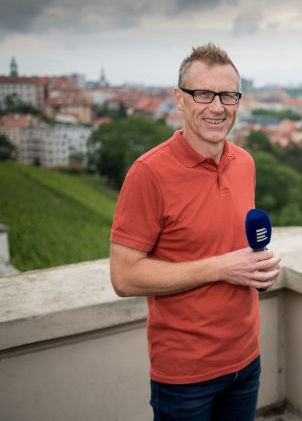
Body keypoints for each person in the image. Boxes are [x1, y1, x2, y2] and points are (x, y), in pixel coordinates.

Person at [109, 43, 281, 420]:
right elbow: (124, 276)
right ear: (179, 99)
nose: (217, 107)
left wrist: (257, 268)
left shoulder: (245, 163)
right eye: (203, 94)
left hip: (246, 358)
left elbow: (232, 247)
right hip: (185, 375)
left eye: (228, 95)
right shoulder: (148, 173)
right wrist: (222, 267)